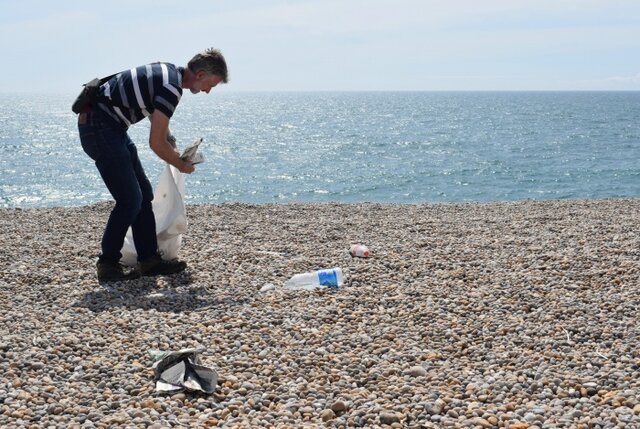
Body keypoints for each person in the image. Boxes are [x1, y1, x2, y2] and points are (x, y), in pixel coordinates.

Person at [77, 48, 228, 282]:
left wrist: (170, 139)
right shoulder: (172, 88)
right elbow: (155, 144)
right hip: (100, 129)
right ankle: (107, 264)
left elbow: (154, 116)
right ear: (199, 75)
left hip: (109, 127)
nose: (208, 91)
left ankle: (149, 260)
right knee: (129, 200)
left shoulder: (167, 72)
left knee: (143, 195)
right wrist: (181, 164)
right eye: (211, 84)